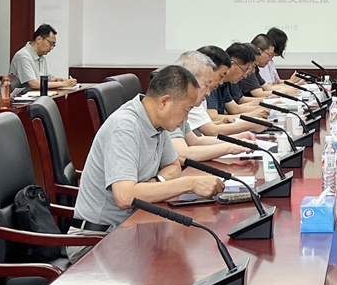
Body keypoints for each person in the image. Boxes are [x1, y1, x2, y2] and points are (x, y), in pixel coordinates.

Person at [72, 65, 225, 242]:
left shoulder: (157, 122)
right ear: (164, 102)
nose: (185, 119)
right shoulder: (125, 128)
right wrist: (190, 183)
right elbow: (125, 197)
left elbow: (173, 166)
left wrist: (150, 185)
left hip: (134, 225)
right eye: (186, 110)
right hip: (98, 238)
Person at [169, 51, 253, 162]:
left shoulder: (182, 106)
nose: (208, 93)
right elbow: (183, 154)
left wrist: (237, 140)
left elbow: (195, 141)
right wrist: (230, 148)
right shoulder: (172, 108)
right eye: (206, 85)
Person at [207, 43, 270, 118]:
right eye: (245, 70)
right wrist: (251, 115)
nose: (245, 75)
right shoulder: (212, 82)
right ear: (232, 64)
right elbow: (214, 118)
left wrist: (265, 109)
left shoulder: (223, 83)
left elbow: (234, 109)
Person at [11, 24, 77, 91]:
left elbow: (49, 79)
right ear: (39, 39)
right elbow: (34, 84)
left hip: (38, 95)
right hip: (23, 96)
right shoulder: (23, 56)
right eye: (51, 43)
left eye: (53, 45)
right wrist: (63, 84)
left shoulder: (41, 56)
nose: (51, 48)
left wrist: (59, 80)